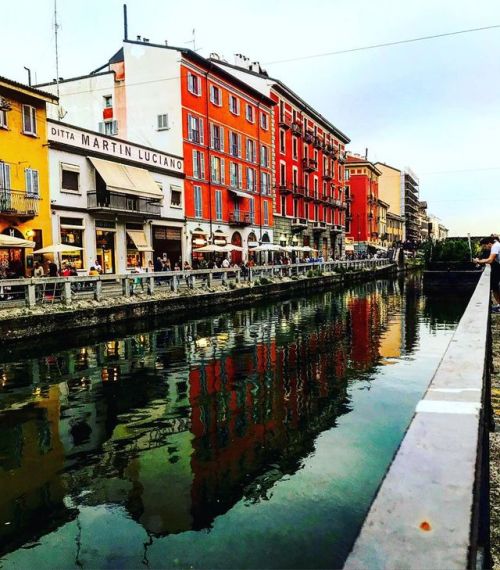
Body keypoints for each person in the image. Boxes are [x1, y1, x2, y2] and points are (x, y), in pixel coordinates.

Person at [473, 236, 500, 313]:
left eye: (485, 246)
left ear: (489, 244)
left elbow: (490, 260)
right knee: (495, 287)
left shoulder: (495, 246)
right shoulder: (496, 245)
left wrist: (478, 261)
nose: (485, 248)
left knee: (496, 287)